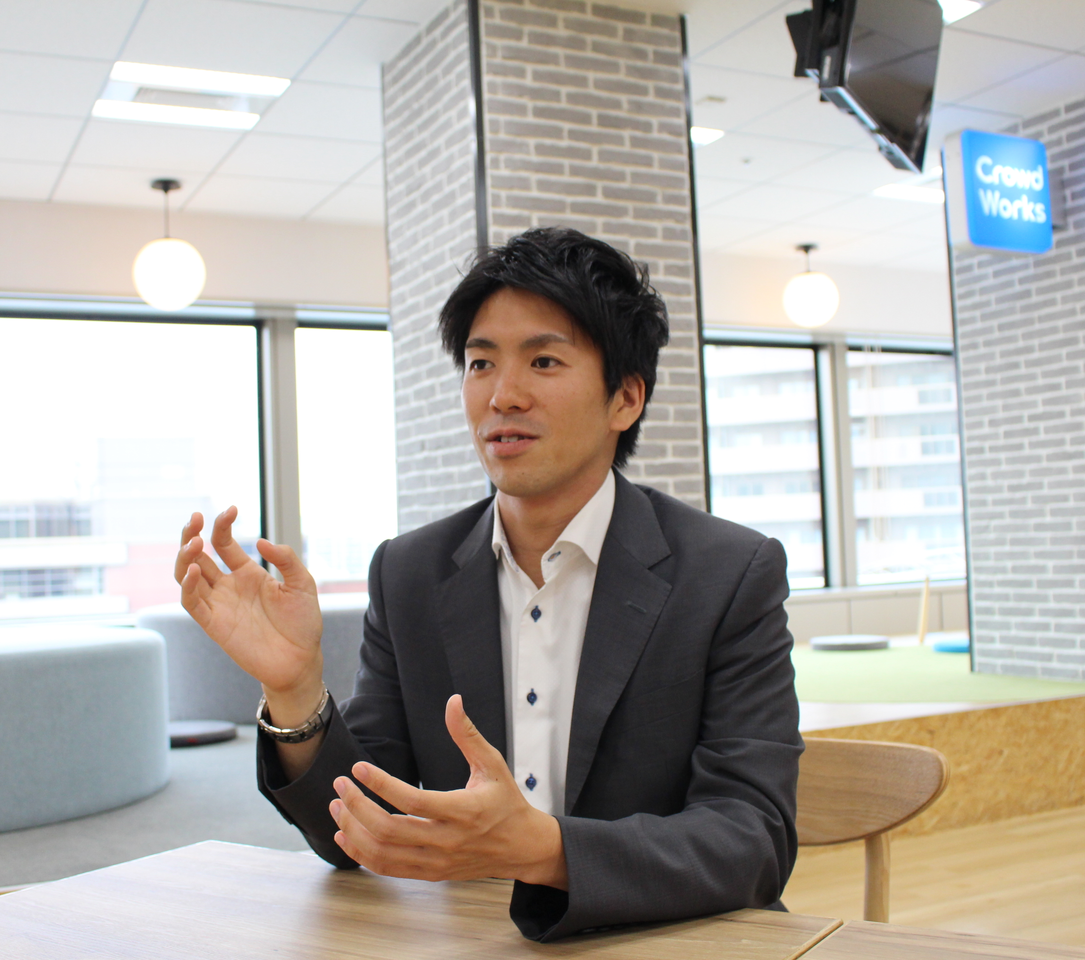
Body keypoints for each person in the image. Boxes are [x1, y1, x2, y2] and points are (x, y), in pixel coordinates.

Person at [174, 226, 802, 942]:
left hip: (671, 941)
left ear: (625, 399)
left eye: (543, 361)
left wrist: (544, 851)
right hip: (474, 940)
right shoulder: (408, 572)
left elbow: (753, 836)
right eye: (480, 363)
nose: (503, 395)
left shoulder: (729, 573)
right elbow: (360, 829)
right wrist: (295, 691)